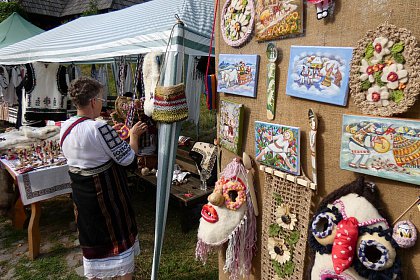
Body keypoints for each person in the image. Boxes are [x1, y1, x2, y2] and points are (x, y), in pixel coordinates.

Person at [60, 77, 148, 280]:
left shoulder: (66, 126)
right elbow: (129, 160)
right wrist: (133, 136)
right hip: (105, 197)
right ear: (92, 101)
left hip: (82, 197)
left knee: (93, 240)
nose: (102, 103)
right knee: (116, 242)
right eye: (100, 99)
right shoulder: (99, 128)